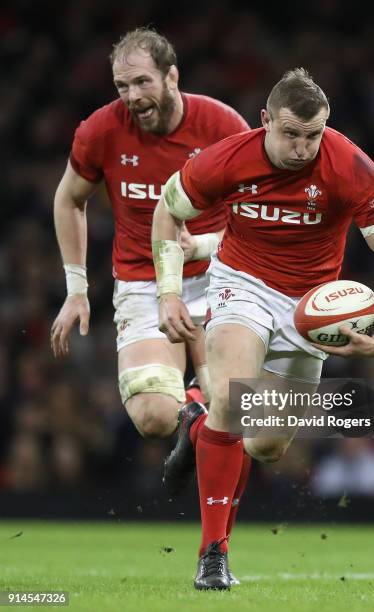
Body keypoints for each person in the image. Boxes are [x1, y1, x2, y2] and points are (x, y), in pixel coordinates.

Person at [152, 68, 374, 590]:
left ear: (326, 127)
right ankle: (213, 554)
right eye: (290, 133)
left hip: (310, 309)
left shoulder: (351, 166)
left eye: (312, 135)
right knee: (234, 397)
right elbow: (166, 212)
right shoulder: (225, 159)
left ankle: (198, 423)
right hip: (240, 283)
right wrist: (170, 291)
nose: (301, 147)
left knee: (267, 444)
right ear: (265, 120)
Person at [49, 28, 250, 583]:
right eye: (122, 85)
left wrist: (205, 246)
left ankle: (215, 554)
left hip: (222, 276)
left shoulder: (222, 126)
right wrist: (76, 288)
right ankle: (190, 417)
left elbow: (255, 209)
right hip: (140, 279)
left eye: (142, 81)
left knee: (245, 422)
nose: (132, 95)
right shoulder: (100, 130)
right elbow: (70, 198)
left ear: (172, 76)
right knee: (153, 415)